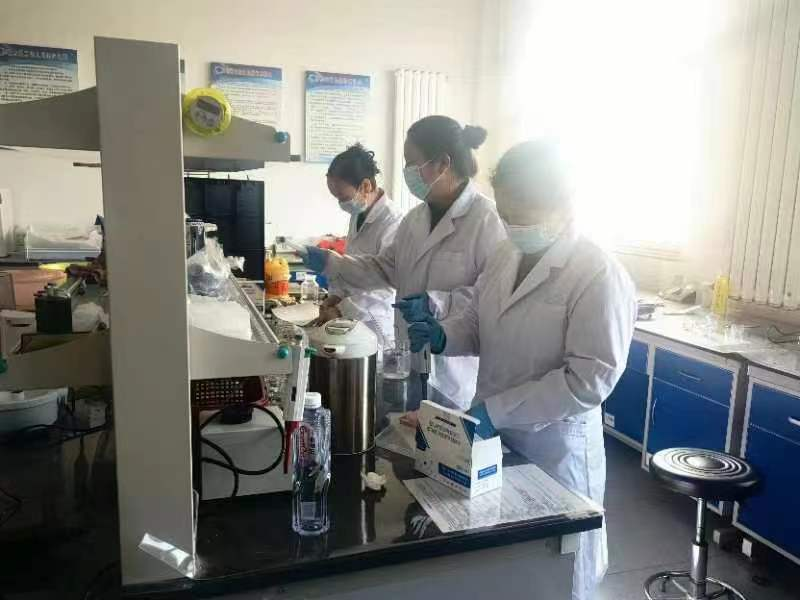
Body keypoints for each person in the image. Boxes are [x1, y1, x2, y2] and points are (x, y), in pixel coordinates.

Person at [406, 140, 636, 600]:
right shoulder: (505, 255)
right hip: (496, 438)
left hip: (554, 449)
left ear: (563, 204)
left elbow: (588, 380)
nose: (511, 224)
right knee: (504, 568)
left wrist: (496, 412)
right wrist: (445, 335)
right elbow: (478, 321)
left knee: (557, 574)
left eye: (521, 214)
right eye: (505, 212)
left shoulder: (596, 273)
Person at [302, 116, 506, 410]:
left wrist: (435, 304)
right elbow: (385, 269)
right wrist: (332, 263)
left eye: (412, 163)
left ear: (443, 163)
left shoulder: (487, 221)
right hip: (407, 361)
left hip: (451, 373)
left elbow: (491, 298)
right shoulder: (414, 219)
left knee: (442, 430)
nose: (407, 172)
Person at [314, 144, 402, 350]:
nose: (341, 204)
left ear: (365, 186)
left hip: (375, 325)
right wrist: (334, 297)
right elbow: (350, 267)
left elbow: (386, 285)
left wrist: (341, 310)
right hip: (352, 324)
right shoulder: (358, 214)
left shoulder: (393, 221)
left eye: (343, 198)